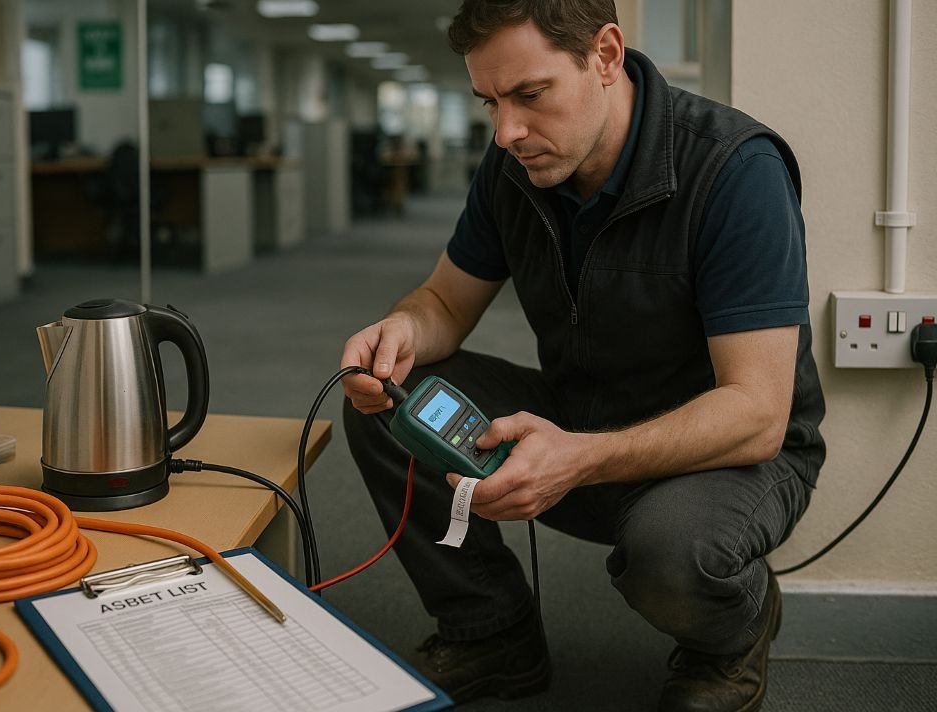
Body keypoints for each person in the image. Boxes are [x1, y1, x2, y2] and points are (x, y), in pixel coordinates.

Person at [340, 1, 825, 710]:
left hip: (726, 458)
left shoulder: (734, 169)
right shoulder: (515, 162)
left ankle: (729, 638)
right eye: (490, 103)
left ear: (604, 55)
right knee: (391, 403)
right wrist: (400, 332)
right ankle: (491, 632)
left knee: (673, 549)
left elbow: (756, 414)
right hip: (579, 419)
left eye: (530, 95)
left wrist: (580, 456)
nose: (507, 131)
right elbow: (445, 305)